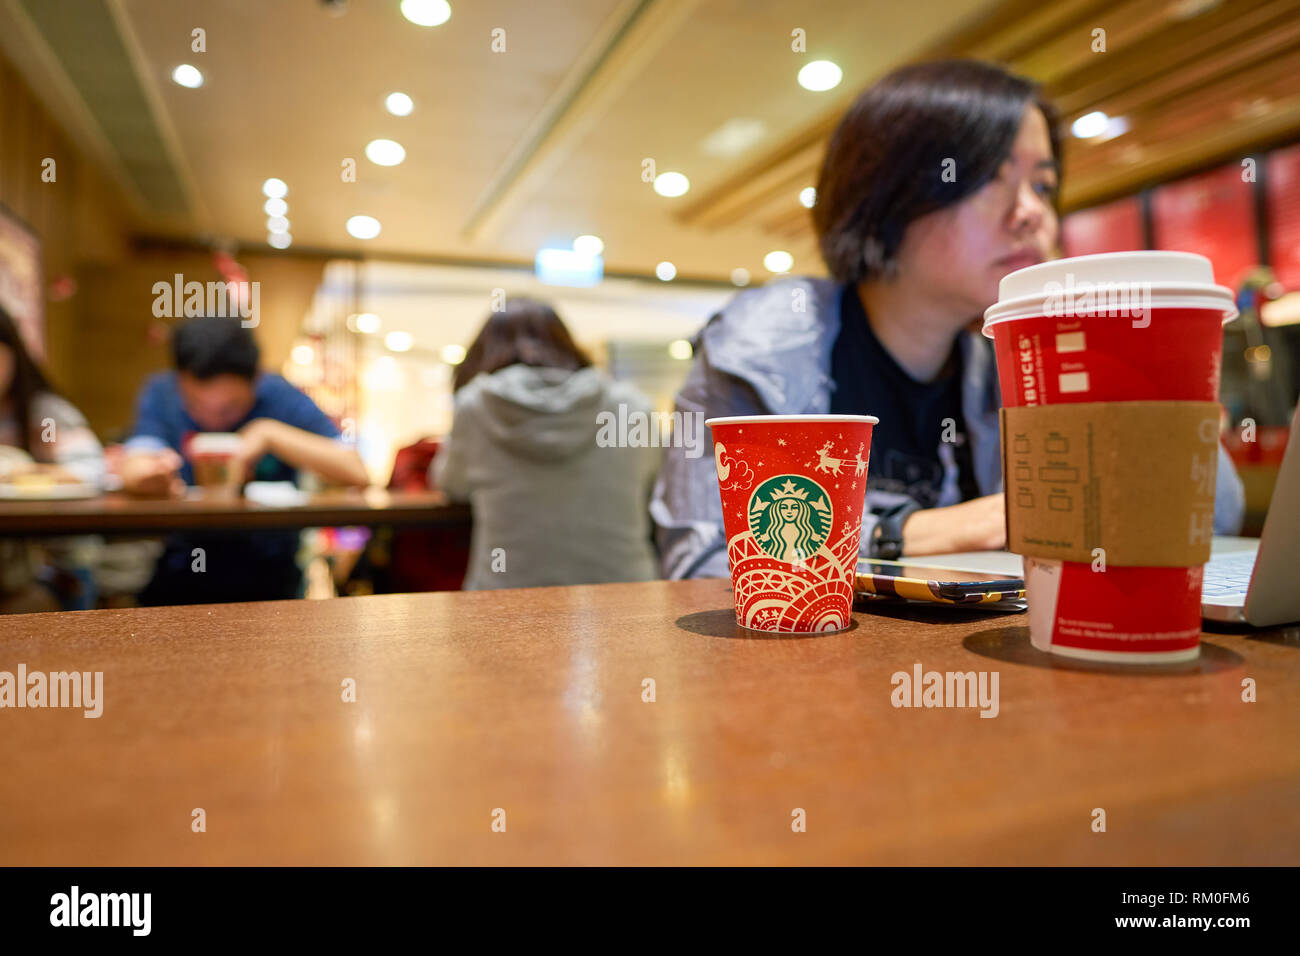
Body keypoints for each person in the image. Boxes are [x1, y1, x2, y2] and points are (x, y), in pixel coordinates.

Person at [651, 58, 1246, 580]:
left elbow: (1211, 513)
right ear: (889, 193)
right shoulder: (761, 350)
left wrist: (1105, 349)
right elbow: (703, 562)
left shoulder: (1015, 359)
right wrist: (916, 534)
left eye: (1044, 185)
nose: (1032, 214)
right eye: (989, 178)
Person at [123, 315, 368, 604]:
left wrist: (269, 433)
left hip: (270, 570)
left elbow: (356, 471)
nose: (213, 420)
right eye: (197, 407)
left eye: (230, 410)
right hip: (185, 562)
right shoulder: (162, 392)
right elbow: (136, 459)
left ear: (257, 378)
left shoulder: (279, 395)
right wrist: (147, 473)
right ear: (180, 381)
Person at [432, 297, 659, 589]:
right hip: (627, 596)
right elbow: (654, 486)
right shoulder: (633, 405)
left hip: (505, 601)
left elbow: (452, 485)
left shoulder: (475, 406)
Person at [0, 305, 104, 612]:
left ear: (13, 355)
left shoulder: (44, 416)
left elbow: (91, 472)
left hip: (52, 569)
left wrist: (22, 472)